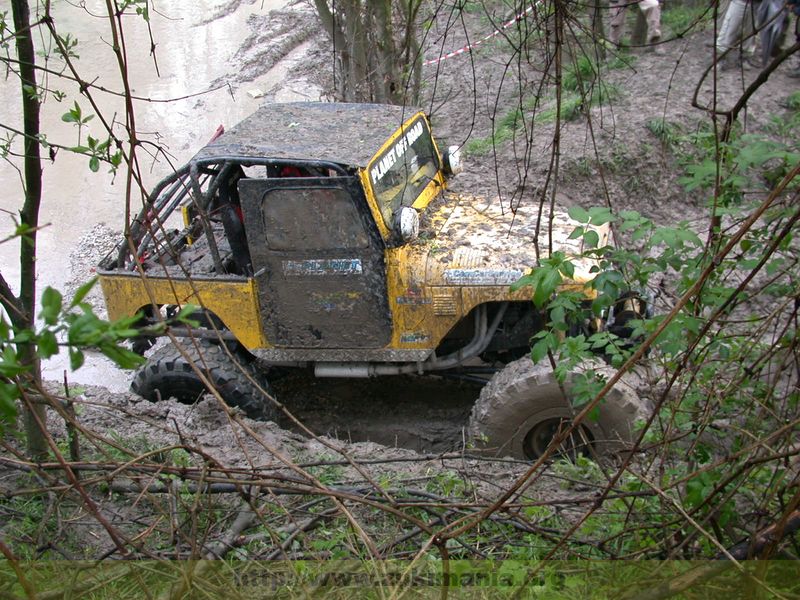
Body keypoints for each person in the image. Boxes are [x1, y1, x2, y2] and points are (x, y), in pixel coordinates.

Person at [715, 0, 760, 68]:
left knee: (750, 32)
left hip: (756, 4)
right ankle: (720, 57)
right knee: (730, 28)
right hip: (739, 1)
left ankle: (744, 58)